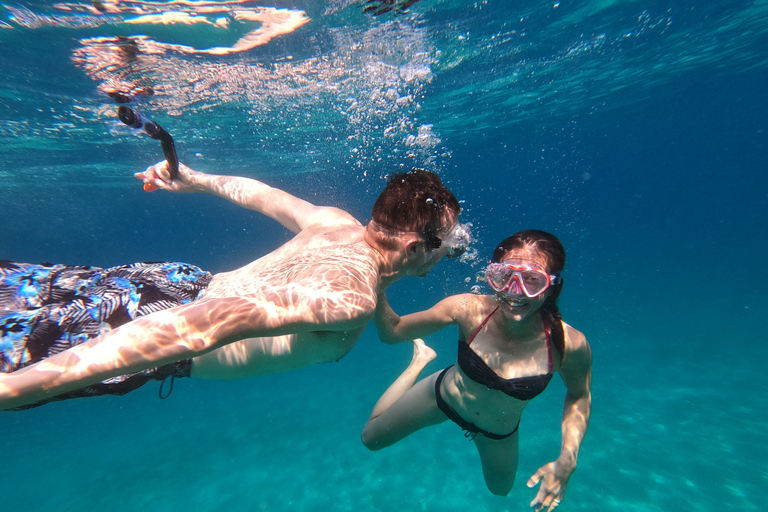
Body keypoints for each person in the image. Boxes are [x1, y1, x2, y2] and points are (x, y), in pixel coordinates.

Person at [0, 161, 471, 410]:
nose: (452, 250)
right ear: (412, 248)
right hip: (155, 332)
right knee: (11, 359)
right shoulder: (350, 299)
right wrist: (19, 388)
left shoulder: (338, 224)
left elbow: (261, 195)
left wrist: (193, 178)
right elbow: (198, 325)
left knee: (15, 288)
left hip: (172, 281)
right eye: (446, 243)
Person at [361, 230, 591, 512]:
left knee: (500, 490)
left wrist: (568, 458)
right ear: (491, 276)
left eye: (532, 280)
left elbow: (579, 395)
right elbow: (393, 331)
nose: (514, 292)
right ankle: (418, 362)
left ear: (552, 286)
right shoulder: (469, 309)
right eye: (504, 276)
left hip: (498, 432)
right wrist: (373, 280)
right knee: (370, 439)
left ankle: (421, 359)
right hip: (442, 397)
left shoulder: (568, 344)